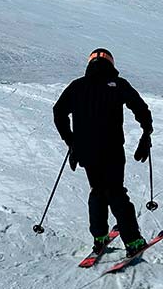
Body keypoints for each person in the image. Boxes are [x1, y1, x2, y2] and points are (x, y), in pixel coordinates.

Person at [53, 48, 153, 257]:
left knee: (98, 190)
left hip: (86, 152)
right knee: (115, 192)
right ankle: (133, 240)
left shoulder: (77, 86)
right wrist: (146, 133)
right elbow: (140, 108)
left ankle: (99, 237)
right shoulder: (118, 84)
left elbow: (58, 112)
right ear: (111, 64)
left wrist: (71, 141)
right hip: (112, 149)